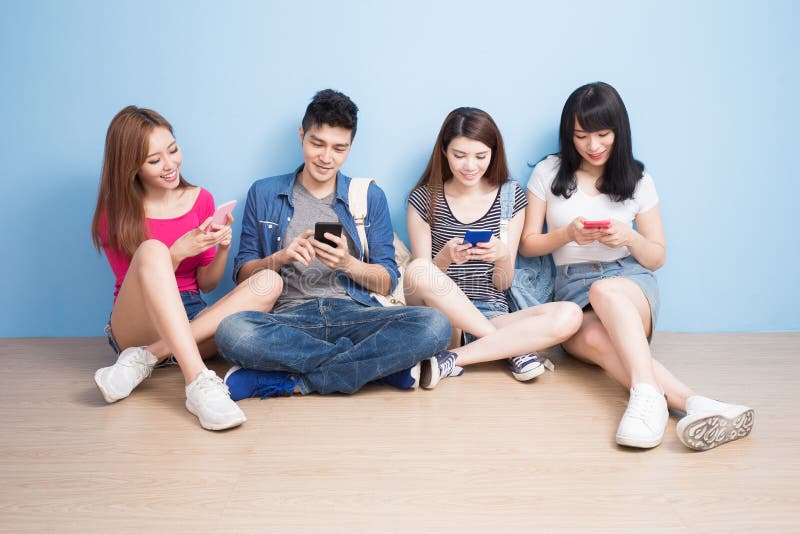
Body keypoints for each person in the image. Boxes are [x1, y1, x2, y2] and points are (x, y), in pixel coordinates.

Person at [520, 82, 754, 450]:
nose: (593, 146)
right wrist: (566, 235)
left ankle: (645, 399)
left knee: (605, 289)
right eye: (582, 136)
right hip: (572, 292)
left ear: (618, 131)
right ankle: (697, 403)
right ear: (570, 134)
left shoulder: (638, 179)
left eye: (603, 134)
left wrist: (628, 238)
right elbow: (529, 244)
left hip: (629, 282)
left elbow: (656, 256)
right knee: (597, 340)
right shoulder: (548, 172)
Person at [214, 89, 452, 399]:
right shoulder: (264, 193)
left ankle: (297, 381)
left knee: (436, 325)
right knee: (232, 333)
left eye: (339, 148)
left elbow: (386, 281)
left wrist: (347, 263)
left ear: (350, 147)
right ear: (302, 135)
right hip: (290, 320)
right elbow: (243, 276)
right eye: (317, 144)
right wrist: (282, 257)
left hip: (357, 315)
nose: (327, 158)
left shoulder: (368, 196)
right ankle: (378, 370)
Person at [91, 106, 282, 430]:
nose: (170, 165)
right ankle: (198, 384)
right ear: (130, 167)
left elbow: (206, 284)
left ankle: (148, 358)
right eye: (154, 160)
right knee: (152, 250)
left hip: (193, 318)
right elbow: (132, 282)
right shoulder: (117, 212)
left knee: (269, 281)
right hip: (137, 324)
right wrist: (175, 254)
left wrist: (221, 248)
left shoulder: (201, 199)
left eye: (173, 150)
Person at [403, 107, 583, 388]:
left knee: (570, 314)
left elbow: (503, 283)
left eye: (480, 156)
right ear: (444, 152)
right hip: (444, 318)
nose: (470, 166)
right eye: (459, 156)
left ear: (493, 153)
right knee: (417, 268)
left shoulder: (510, 197)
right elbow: (418, 282)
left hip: (492, 313)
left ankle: (453, 359)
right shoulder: (424, 198)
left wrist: (502, 257)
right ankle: (511, 348)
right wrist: (446, 257)